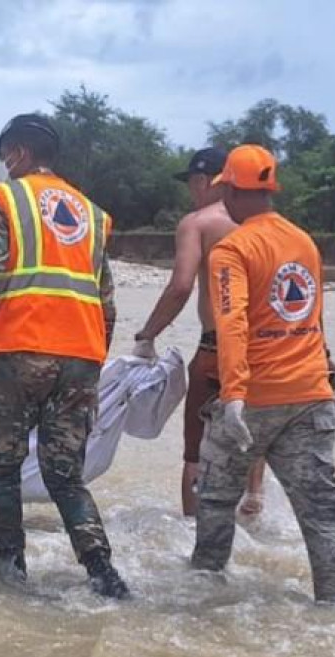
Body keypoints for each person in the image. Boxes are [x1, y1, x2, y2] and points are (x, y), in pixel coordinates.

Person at [0, 113, 129, 599]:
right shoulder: (92, 213)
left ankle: (10, 570)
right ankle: (103, 573)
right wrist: (92, 365)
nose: (1, 165)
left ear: (19, 154)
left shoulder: (2, 198)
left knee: (2, 466)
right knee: (65, 475)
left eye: (3, 156)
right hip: (81, 356)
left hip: (17, 351)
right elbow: (107, 302)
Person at [190, 144, 335, 607]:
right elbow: (312, 316)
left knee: (216, 500)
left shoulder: (232, 248)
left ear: (230, 190)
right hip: (311, 397)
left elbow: (231, 322)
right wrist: (330, 371)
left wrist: (233, 394)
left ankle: (203, 599)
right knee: (321, 513)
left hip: (254, 398)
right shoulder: (304, 242)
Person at [133, 148, 266, 518]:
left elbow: (180, 287)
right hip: (265, 349)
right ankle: (254, 502)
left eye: (191, 183)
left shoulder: (198, 223)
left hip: (217, 348)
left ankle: (193, 528)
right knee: (252, 434)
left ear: (204, 181)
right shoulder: (267, 225)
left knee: (196, 449)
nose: (191, 191)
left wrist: (148, 334)